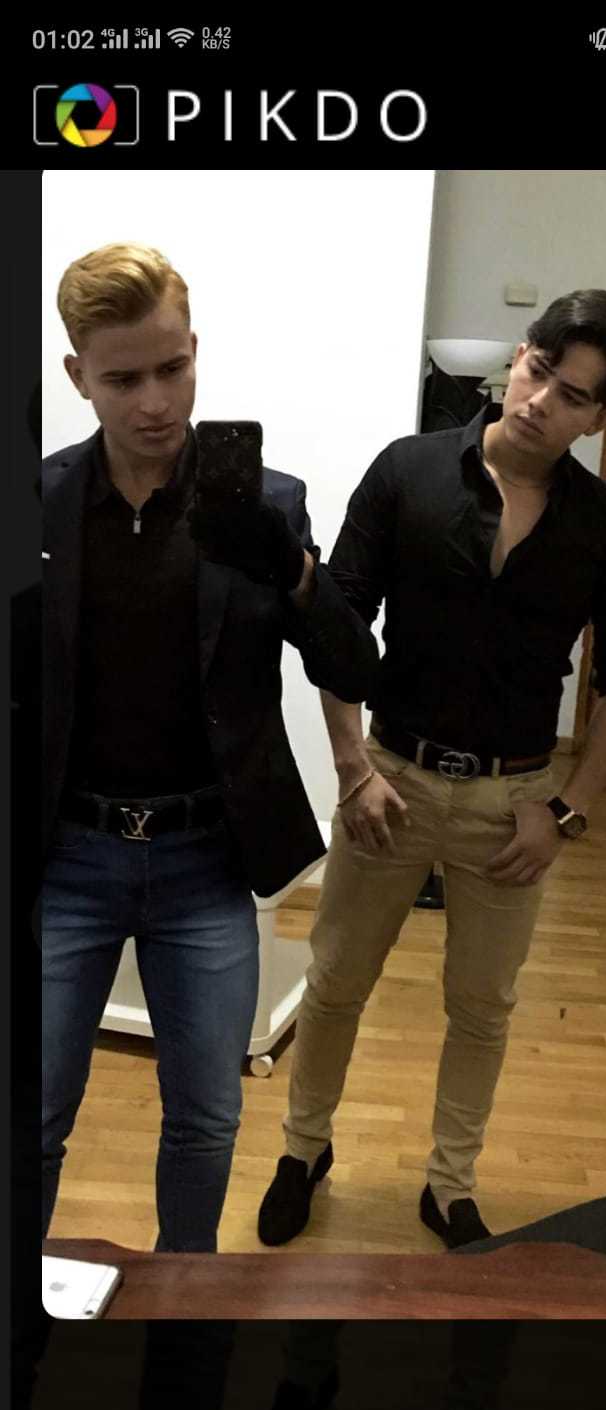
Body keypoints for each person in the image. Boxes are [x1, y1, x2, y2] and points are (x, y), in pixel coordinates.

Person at [258, 288, 606, 1250]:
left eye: (572, 397)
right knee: (336, 982)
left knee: (481, 1008)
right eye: (538, 372)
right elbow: (339, 625)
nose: (540, 403)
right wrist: (351, 768)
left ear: (600, 418)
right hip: (389, 782)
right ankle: (302, 1149)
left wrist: (565, 812)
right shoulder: (407, 471)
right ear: (518, 357)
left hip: (512, 804)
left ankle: (449, 1183)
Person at [42, 242, 377, 1252]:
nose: (155, 402)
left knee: (207, 1117)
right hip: (66, 858)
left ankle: (184, 1300)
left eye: (173, 368)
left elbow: (352, 664)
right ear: (78, 376)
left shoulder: (264, 501)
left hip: (205, 860)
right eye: (124, 380)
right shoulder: (41, 501)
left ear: (195, 350)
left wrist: (299, 574)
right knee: (35, 1115)